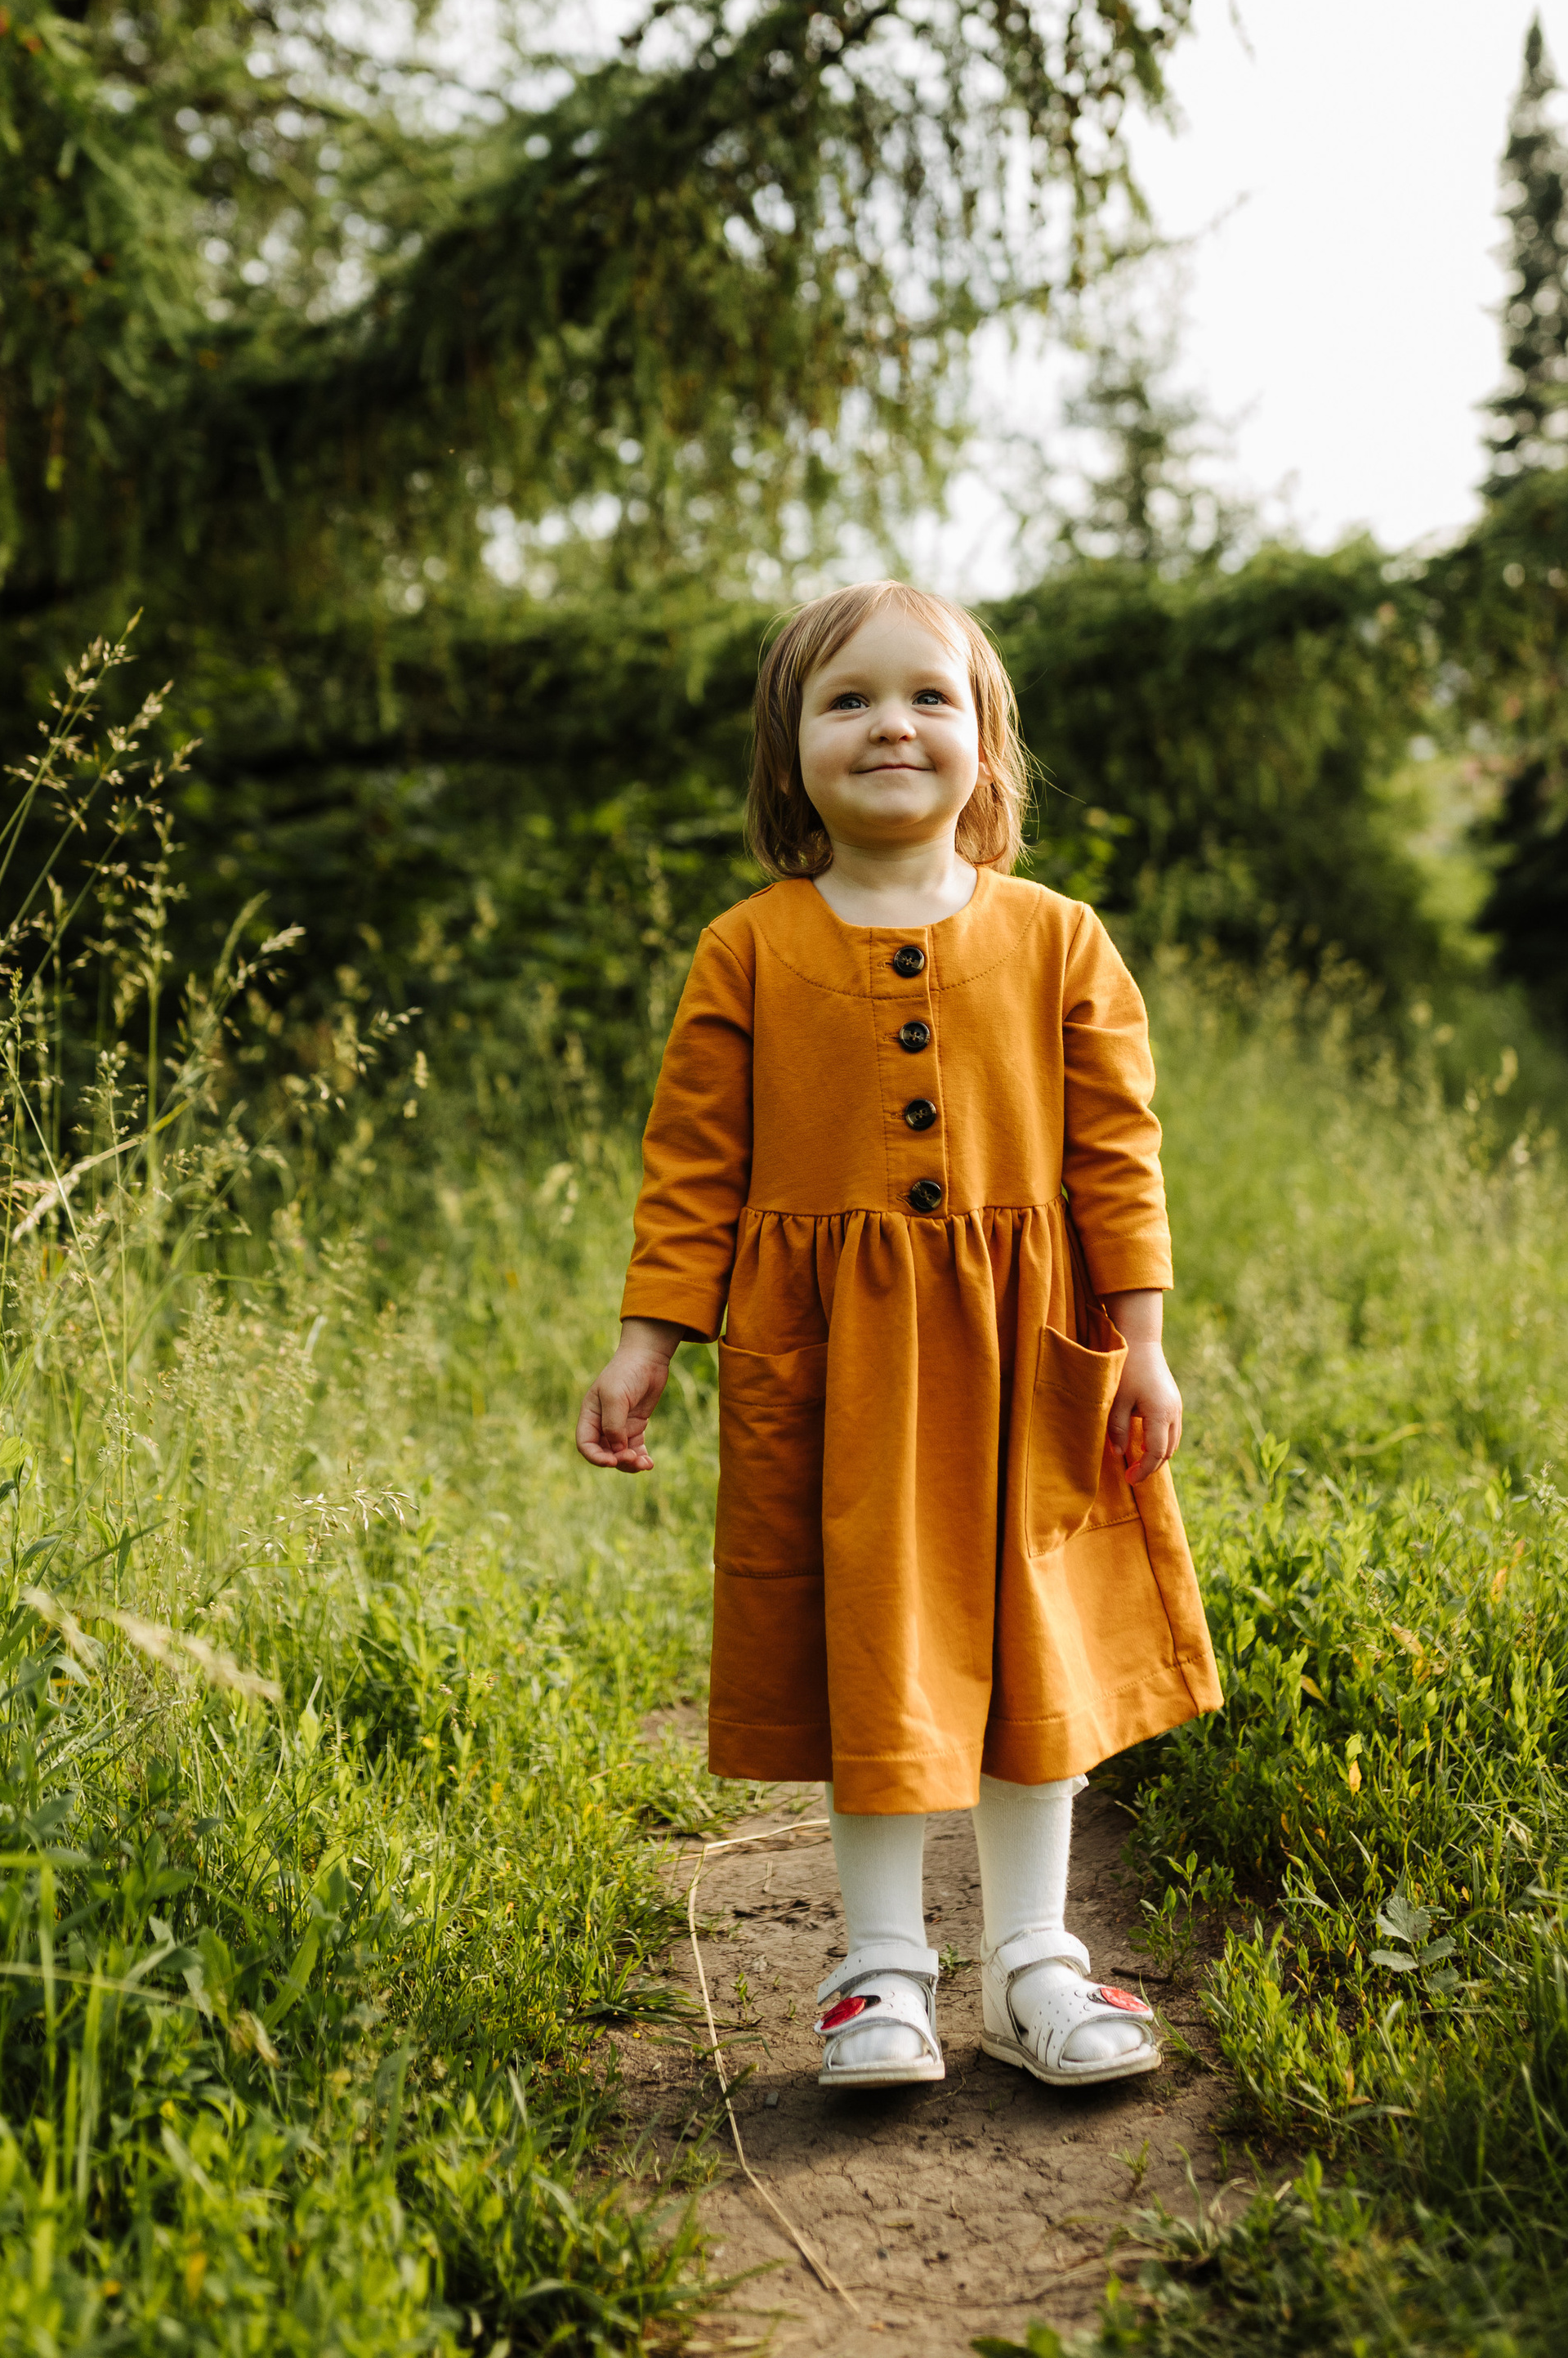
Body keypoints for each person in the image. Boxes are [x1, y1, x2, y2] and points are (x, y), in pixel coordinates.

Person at [574, 582, 1220, 2090]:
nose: (892, 725)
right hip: (839, 1365)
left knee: (1033, 1643)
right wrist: (646, 1338)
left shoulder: (1061, 942)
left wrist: (1143, 1341)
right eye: (847, 699)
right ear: (786, 755)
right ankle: (879, 1973)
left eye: (931, 697)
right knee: (876, 1644)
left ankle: (1033, 1964)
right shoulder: (748, 950)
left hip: (1033, 1349)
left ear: (987, 748)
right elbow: (694, 1165)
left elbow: (1120, 1154)